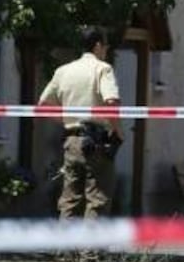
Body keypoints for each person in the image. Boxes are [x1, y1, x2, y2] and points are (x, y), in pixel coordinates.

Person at [39, 28, 123, 239]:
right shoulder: (103, 69)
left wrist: (67, 121)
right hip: (96, 142)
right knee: (98, 198)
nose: (106, 50)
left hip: (71, 141)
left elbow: (43, 105)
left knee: (70, 199)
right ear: (97, 45)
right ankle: (91, 260)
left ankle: (68, 256)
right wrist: (116, 129)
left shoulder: (64, 71)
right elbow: (111, 101)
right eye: (105, 46)